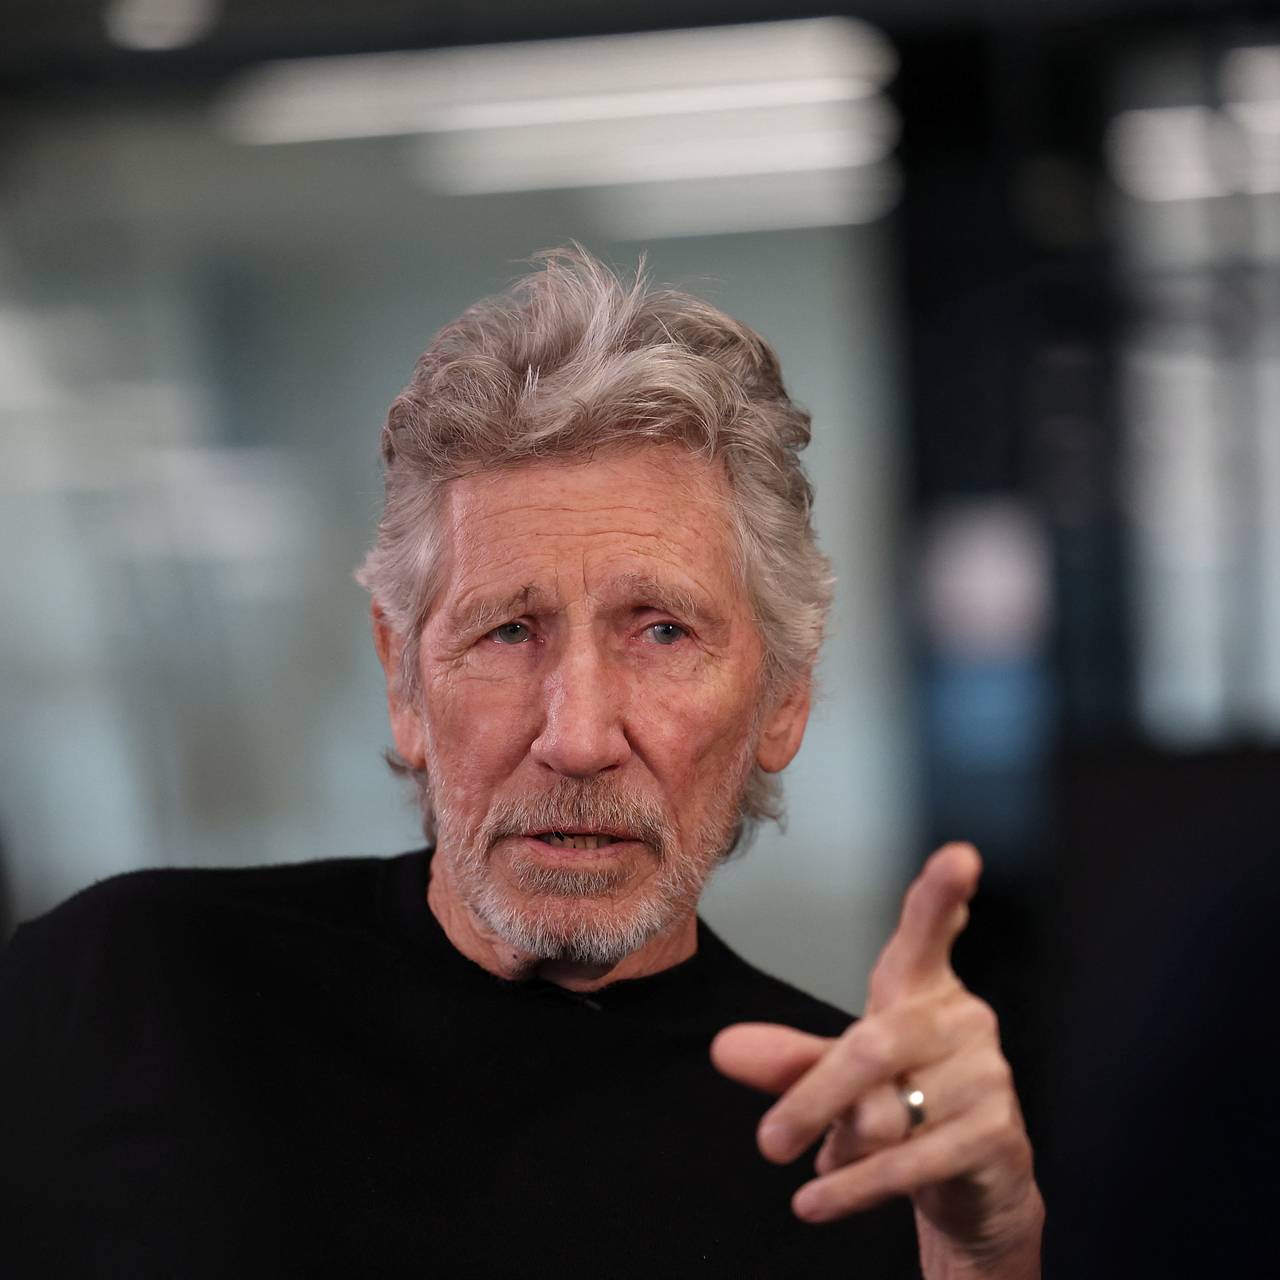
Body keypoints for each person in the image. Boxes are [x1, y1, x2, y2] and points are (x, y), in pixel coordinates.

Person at [0, 248, 1043, 1277]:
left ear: (783, 701)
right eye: (507, 631)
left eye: (663, 631)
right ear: (403, 679)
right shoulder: (132, 991)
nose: (578, 738)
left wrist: (983, 1260)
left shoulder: (871, 1153)